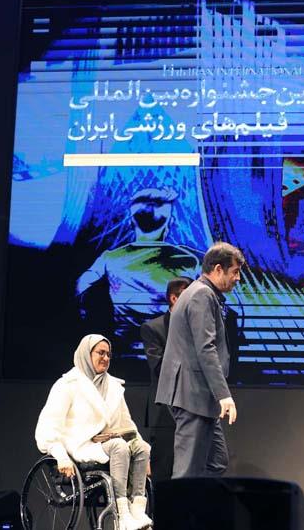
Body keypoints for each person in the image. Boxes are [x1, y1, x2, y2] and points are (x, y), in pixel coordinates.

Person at [35, 334, 153, 530]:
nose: (105, 358)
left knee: (141, 447)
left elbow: (127, 423)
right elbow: (48, 426)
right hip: (80, 446)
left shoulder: (113, 386)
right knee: (119, 447)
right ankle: (122, 515)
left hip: (106, 445)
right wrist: (61, 457)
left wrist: (144, 456)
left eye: (109, 354)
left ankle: (138, 511)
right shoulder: (67, 385)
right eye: (101, 353)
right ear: (86, 354)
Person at [76, 187, 201, 361]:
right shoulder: (190, 261)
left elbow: (77, 288)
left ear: (131, 222)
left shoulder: (110, 258)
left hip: (123, 355)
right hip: (171, 357)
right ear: (170, 222)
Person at [155, 242, 244, 478]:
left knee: (216, 461)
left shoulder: (201, 293)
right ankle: (181, 504)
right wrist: (223, 395)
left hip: (199, 396)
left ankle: (198, 501)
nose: (238, 278)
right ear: (218, 269)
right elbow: (206, 347)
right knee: (186, 471)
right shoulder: (201, 295)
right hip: (191, 394)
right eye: (235, 272)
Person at [140, 276, 192, 482]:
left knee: (193, 470)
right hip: (165, 409)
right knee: (164, 469)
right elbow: (160, 368)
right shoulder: (153, 328)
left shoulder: (199, 328)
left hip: (194, 408)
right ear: (174, 298)